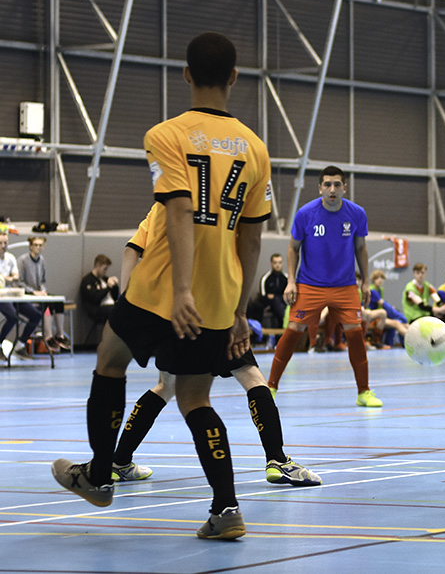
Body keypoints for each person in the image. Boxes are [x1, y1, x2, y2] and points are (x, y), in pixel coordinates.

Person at [51, 32, 272, 540]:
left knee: (109, 360)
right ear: (234, 77)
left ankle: (100, 476)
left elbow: (177, 209)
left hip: (161, 289)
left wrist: (181, 291)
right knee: (196, 398)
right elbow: (252, 239)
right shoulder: (256, 149)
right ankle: (226, 509)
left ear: (186, 73)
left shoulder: (165, 135)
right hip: (218, 298)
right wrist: (240, 310)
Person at [110, 205, 320, 488]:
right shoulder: (218, 205)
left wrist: (127, 304)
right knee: (252, 378)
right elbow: (247, 249)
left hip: (169, 311)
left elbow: (131, 250)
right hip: (214, 307)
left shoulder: (161, 208)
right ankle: (277, 460)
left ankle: (119, 461)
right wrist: (239, 311)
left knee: (166, 386)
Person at [266, 165, 382, 408]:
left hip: (345, 286)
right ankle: (271, 387)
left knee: (355, 333)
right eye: (327, 185)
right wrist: (291, 281)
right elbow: (293, 248)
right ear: (320, 188)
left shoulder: (357, 213)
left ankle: (364, 392)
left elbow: (361, 248)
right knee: (293, 329)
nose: (332, 189)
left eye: (337, 185)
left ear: (344, 188)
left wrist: (366, 282)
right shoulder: (305, 214)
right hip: (310, 285)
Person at [18, 236, 71, 352]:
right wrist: (33, 292)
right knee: (47, 305)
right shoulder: (23, 260)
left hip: (39, 293)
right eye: (36, 245)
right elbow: (19, 282)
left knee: (58, 302)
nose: (38, 247)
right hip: (28, 294)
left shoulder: (41, 260)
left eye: (40, 245)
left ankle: (60, 334)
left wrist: (42, 291)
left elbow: (42, 281)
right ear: (30, 246)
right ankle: (48, 336)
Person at [0, 232, 42, 360]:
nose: (3, 245)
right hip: (1, 297)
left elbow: (16, 277)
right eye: (0, 243)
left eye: (5, 243)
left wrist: (5, 278)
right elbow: (11, 278)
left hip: (13, 294)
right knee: (13, 317)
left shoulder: (11, 258)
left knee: (36, 315)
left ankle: (20, 345)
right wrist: (9, 278)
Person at [247, 253, 287, 329]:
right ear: (271, 263)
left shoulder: (286, 278)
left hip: (282, 302)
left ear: (283, 263)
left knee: (278, 301)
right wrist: (273, 297)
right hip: (268, 302)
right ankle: (257, 328)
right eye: (275, 263)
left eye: (279, 262)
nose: (277, 265)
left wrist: (276, 297)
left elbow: (289, 295)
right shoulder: (265, 278)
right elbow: (263, 295)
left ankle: (284, 325)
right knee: (256, 304)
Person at [369, 269, 408, 347]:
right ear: (373, 279)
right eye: (377, 278)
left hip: (379, 316)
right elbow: (382, 304)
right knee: (397, 323)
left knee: (405, 324)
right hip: (372, 317)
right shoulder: (372, 290)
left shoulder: (380, 290)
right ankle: (413, 339)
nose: (380, 280)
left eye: (382, 278)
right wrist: (399, 315)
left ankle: (389, 343)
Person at [79, 254, 120, 326]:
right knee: (116, 311)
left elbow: (115, 297)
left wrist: (115, 286)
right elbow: (95, 298)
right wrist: (108, 287)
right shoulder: (88, 281)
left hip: (110, 305)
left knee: (124, 308)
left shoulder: (104, 279)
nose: (105, 271)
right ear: (97, 266)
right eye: (104, 269)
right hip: (97, 308)